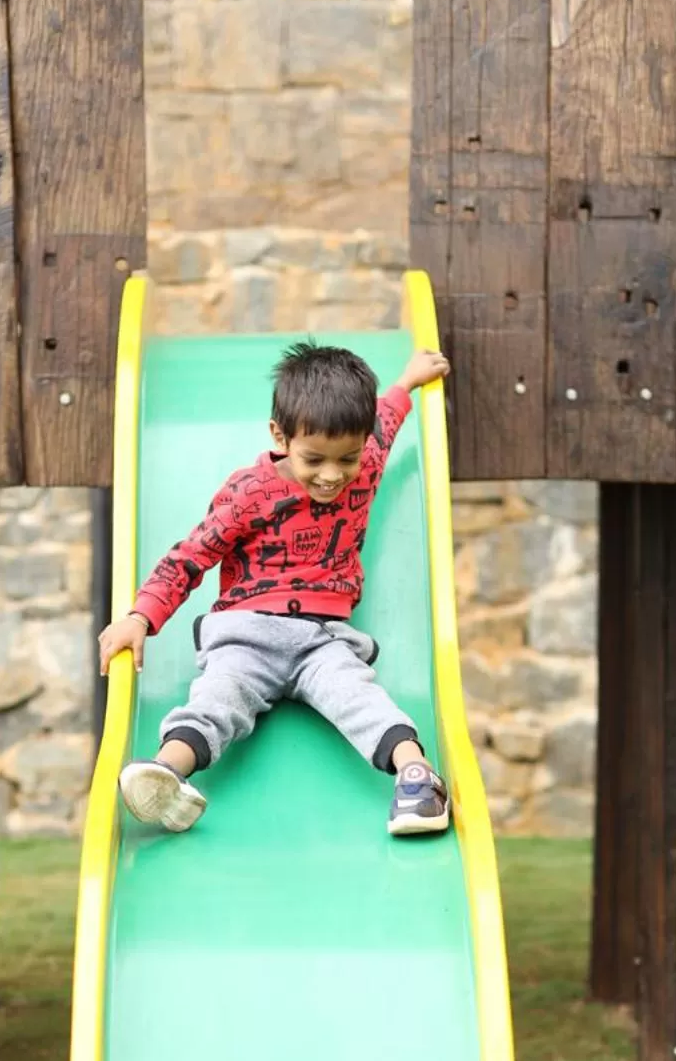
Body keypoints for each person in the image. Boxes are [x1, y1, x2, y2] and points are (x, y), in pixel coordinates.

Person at [98, 340, 453, 837]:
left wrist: (408, 380)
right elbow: (192, 555)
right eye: (315, 460)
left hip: (322, 639)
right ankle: (166, 775)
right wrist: (140, 616)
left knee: (359, 697)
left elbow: (386, 420)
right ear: (279, 436)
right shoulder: (249, 494)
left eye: (346, 459)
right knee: (219, 697)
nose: (332, 475)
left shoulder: (365, 462)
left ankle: (416, 776)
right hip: (248, 633)